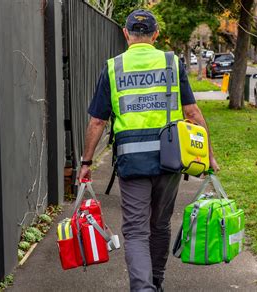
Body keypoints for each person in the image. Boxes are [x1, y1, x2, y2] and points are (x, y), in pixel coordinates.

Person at [78, 9, 219, 292]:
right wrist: (209, 155)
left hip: (133, 164)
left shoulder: (113, 67)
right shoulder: (171, 62)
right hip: (170, 160)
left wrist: (87, 161)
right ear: (155, 35)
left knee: (135, 231)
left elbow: (97, 121)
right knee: (160, 225)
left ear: (126, 33)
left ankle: (143, 288)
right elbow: (192, 112)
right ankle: (157, 282)